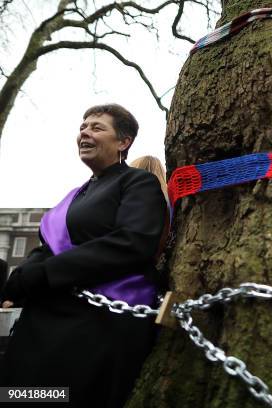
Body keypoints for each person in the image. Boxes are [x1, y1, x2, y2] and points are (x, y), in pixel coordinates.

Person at [0, 104, 167, 407]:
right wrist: (22, 277)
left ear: (123, 141)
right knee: (19, 396)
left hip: (96, 326)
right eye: (82, 127)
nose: (85, 133)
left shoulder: (137, 183)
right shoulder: (75, 194)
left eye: (97, 127)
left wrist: (47, 272)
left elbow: (133, 241)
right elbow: (47, 244)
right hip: (44, 319)